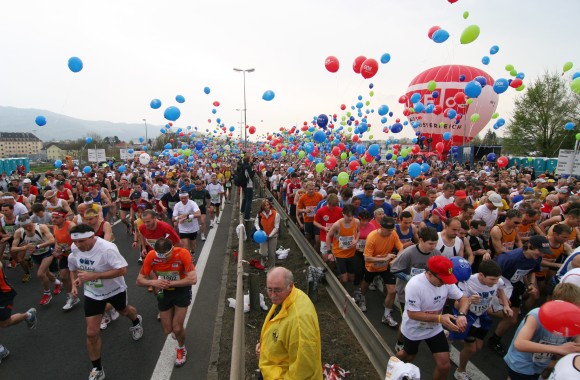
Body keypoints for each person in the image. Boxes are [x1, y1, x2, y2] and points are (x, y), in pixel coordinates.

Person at [68, 223, 144, 380]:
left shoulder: (107, 248)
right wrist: (76, 281)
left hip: (115, 290)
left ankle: (136, 321)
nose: (78, 245)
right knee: (91, 332)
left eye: (81, 241)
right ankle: (97, 368)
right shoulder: (75, 248)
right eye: (75, 242)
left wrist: (94, 276)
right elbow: (75, 266)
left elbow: (123, 270)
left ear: (92, 236)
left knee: (125, 311)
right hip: (92, 293)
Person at [396, 256, 470, 380]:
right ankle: (391, 365)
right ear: (429, 274)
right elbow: (412, 314)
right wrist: (440, 318)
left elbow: (463, 299)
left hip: (434, 329)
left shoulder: (445, 282)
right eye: (442, 280)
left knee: (444, 365)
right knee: (408, 357)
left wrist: (462, 315)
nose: (445, 283)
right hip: (415, 328)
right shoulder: (414, 285)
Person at [487, 235, 552, 356]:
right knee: (508, 316)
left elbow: (531, 271)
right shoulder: (510, 258)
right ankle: (482, 309)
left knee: (512, 319)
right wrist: (501, 296)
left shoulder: (536, 258)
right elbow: (494, 276)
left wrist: (531, 285)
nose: (542, 255)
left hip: (515, 285)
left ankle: (494, 339)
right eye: (540, 251)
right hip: (501, 283)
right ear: (530, 247)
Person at [136, 238, 197, 367]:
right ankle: (178, 329)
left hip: (181, 290)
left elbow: (193, 279)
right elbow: (139, 280)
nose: (163, 259)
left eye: (166, 256)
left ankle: (181, 349)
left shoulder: (182, 253)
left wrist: (170, 283)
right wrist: (153, 282)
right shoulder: (152, 255)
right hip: (165, 292)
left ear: (172, 249)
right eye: (160, 257)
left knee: (177, 328)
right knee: (167, 329)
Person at [450, 260, 512, 380]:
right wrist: (469, 300)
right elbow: (457, 304)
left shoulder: (497, 281)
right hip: (469, 315)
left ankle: (450, 336)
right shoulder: (467, 282)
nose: (495, 282)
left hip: (482, 315)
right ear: (481, 275)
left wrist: (506, 305)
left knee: (478, 347)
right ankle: (460, 371)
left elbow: (500, 289)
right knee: (471, 348)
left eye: (496, 279)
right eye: (492, 280)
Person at [256, 267, 322, 379]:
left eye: (277, 290)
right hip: (274, 370)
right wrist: (265, 347)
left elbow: (302, 371)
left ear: (290, 286)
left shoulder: (299, 322)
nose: (272, 295)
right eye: (269, 289)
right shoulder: (288, 297)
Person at [504, 283, 580, 380]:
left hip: (539, 366)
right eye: (576, 308)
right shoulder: (536, 315)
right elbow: (519, 344)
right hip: (521, 365)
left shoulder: (571, 320)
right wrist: (558, 348)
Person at [360, 216, 402, 327]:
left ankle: (386, 315)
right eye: (388, 230)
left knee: (392, 291)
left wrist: (396, 259)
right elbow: (367, 258)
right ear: (381, 227)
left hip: (386, 266)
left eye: (391, 230)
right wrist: (384, 258)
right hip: (372, 266)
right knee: (365, 284)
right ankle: (362, 298)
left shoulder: (393, 233)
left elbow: (401, 248)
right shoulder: (372, 237)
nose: (390, 233)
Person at [11, 214, 60, 305]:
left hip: (47, 252)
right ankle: (57, 283)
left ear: (31, 222)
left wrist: (37, 246)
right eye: (26, 227)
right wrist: (25, 247)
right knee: (47, 273)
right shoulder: (19, 232)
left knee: (40, 274)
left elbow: (51, 240)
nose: (29, 228)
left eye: (30, 225)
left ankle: (47, 293)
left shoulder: (41, 227)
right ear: (22, 227)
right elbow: (13, 248)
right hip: (35, 255)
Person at [0, 259, 37, 364]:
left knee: (5, 323)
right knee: (3, 324)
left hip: (3, 295)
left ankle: (28, 315)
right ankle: (1, 350)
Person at [51, 208, 80, 311]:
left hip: (77, 254)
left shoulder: (71, 226)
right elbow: (56, 239)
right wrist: (56, 247)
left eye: (57, 218)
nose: (54, 220)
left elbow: (79, 242)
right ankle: (72, 297)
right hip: (65, 255)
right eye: (53, 217)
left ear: (64, 218)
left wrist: (63, 249)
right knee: (63, 277)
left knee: (83, 276)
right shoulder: (55, 226)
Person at [254, 199, 280, 270]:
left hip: (272, 236)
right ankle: (264, 262)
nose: (266, 207)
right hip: (263, 236)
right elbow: (256, 223)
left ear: (270, 205)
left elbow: (276, 227)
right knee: (264, 253)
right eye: (264, 205)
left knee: (272, 254)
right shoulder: (260, 214)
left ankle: (271, 268)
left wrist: (270, 235)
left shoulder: (276, 214)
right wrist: (259, 230)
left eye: (268, 205)